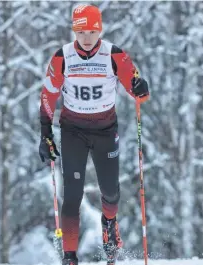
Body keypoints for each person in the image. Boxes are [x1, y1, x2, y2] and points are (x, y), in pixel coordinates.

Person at [39, 4, 149, 265]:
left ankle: (109, 224)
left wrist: (140, 88)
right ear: (74, 32)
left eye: (91, 31)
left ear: (99, 30)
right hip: (73, 131)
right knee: (72, 196)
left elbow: (138, 91)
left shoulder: (115, 55)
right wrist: (45, 134)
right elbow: (48, 96)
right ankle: (69, 256)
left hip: (104, 131)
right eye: (81, 32)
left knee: (111, 193)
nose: (86, 38)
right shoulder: (62, 58)